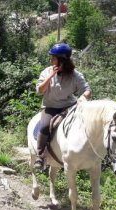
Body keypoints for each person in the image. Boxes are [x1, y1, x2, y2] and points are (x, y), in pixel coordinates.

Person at [34, 42, 91, 170]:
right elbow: (40, 91)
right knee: (44, 126)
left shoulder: (75, 75)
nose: (50, 60)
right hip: (51, 107)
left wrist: (83, 97)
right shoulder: (46, 72)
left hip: (70, 107)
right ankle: (40, 156)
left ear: (62, 61)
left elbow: (87, 90)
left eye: (53, 58)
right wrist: (50, 76)